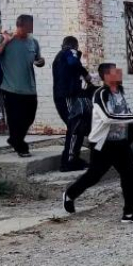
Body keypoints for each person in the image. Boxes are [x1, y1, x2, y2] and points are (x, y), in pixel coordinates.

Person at [62, 63, 133, 224]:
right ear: (106, 76)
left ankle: (129, 213)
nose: (119, 73)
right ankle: (70, 194)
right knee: (94, 176)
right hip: (103, 144)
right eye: (115, 71)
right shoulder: (100, 94)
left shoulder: (120, 92)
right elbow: (108, 117)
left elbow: (124, 113)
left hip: (121, 143)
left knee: (130, 175)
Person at [0, 14, 45, 157]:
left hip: (30, 89)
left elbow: (39, 60)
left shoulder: (33, 42)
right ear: (21, 25)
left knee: (29, 117)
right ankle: (20, 146)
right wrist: (5, 41)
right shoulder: (4, 38)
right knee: (15, 119)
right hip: (10, 88)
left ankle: (14, 139)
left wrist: (40, 61)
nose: (32, 28)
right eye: (30, 25)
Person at [52, 36, 92, 171]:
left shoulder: (59, 57)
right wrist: (86, 75)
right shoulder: (69, 52)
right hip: (67, 97)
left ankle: (73, 158)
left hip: (62, 96)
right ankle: (67, 162)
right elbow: (73, 63)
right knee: (75, 127)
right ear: (74, 45)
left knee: (78, 127)